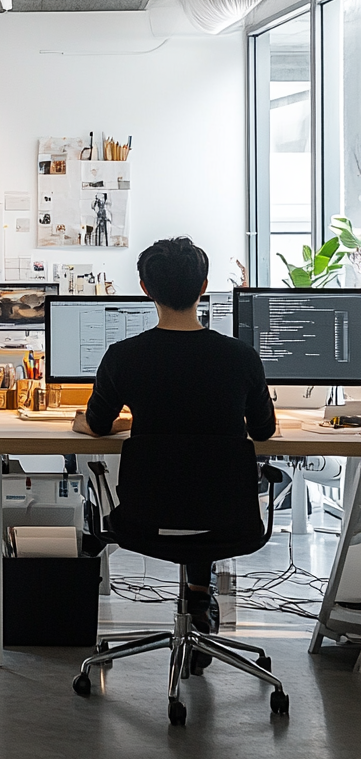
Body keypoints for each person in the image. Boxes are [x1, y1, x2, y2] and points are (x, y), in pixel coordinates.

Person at [73, 236, 275, 641]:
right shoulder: (241, 357)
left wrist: (97, 423)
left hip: (145, 518)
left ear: (146, 289)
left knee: (176, 487)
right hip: (229, 520)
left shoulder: (124, 356)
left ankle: (197, 595)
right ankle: (199, 597)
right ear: (203, 287)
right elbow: (264, 432)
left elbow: (96, 424)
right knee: (201, 494)